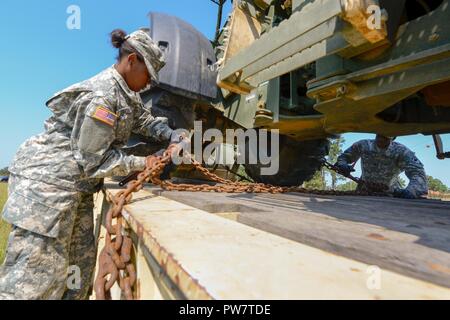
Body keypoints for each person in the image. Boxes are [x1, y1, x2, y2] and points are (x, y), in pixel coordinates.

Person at [0, 29, 183, 300]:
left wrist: (172, 134)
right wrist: (146, 161)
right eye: (148, 75)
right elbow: (93, 161)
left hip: (77, 188)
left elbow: (143, 120)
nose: (148, 84)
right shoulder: (104, 97)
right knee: (36, 280)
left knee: (78, 275)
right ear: (132, 60)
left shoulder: (127, 94)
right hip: (47, 189)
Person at [336, 135, 428, 199]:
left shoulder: (401, 152)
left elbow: (418, 172)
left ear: (393, 137)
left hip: (390, 196)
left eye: (385, 137)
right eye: (378, 135)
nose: (380, 139)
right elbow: (344, 157)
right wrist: (342, 164)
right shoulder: (364, 145)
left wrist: (412, 190)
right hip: (363, 193)